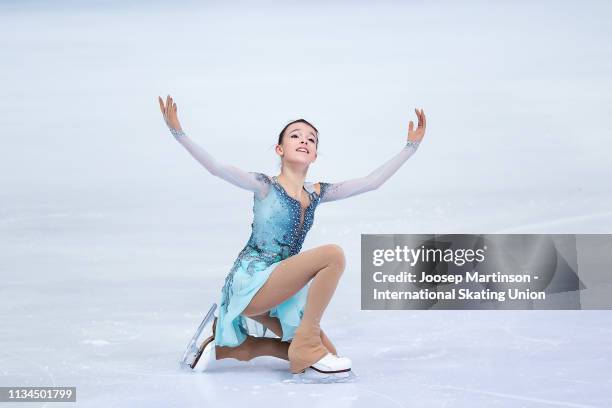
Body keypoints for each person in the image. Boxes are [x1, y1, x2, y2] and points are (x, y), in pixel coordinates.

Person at [158, 95, 426, 379]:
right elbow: (217, 168)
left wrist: (411, 147)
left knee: (328, 354)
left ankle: (235, 350)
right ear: (280, 149)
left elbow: (372, 182)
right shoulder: (264, 186)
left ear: (314, 154)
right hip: (251, 282)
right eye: (295, 136)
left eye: (311, 139)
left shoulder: (317, 193)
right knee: (332, 255)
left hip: (279, 288)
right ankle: (306, 343)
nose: (304, 141)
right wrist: (179, 133)